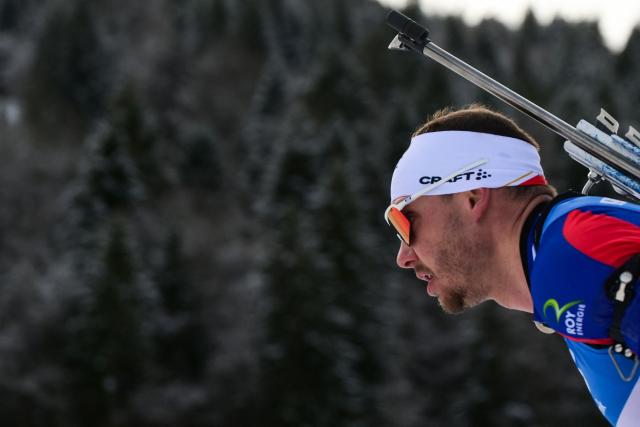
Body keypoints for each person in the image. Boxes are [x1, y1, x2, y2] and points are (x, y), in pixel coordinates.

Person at [384, 104, 640, 426]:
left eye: (406, 222)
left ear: (472, 199)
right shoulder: (561, 259)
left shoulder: (576, 255)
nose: (403, 257)